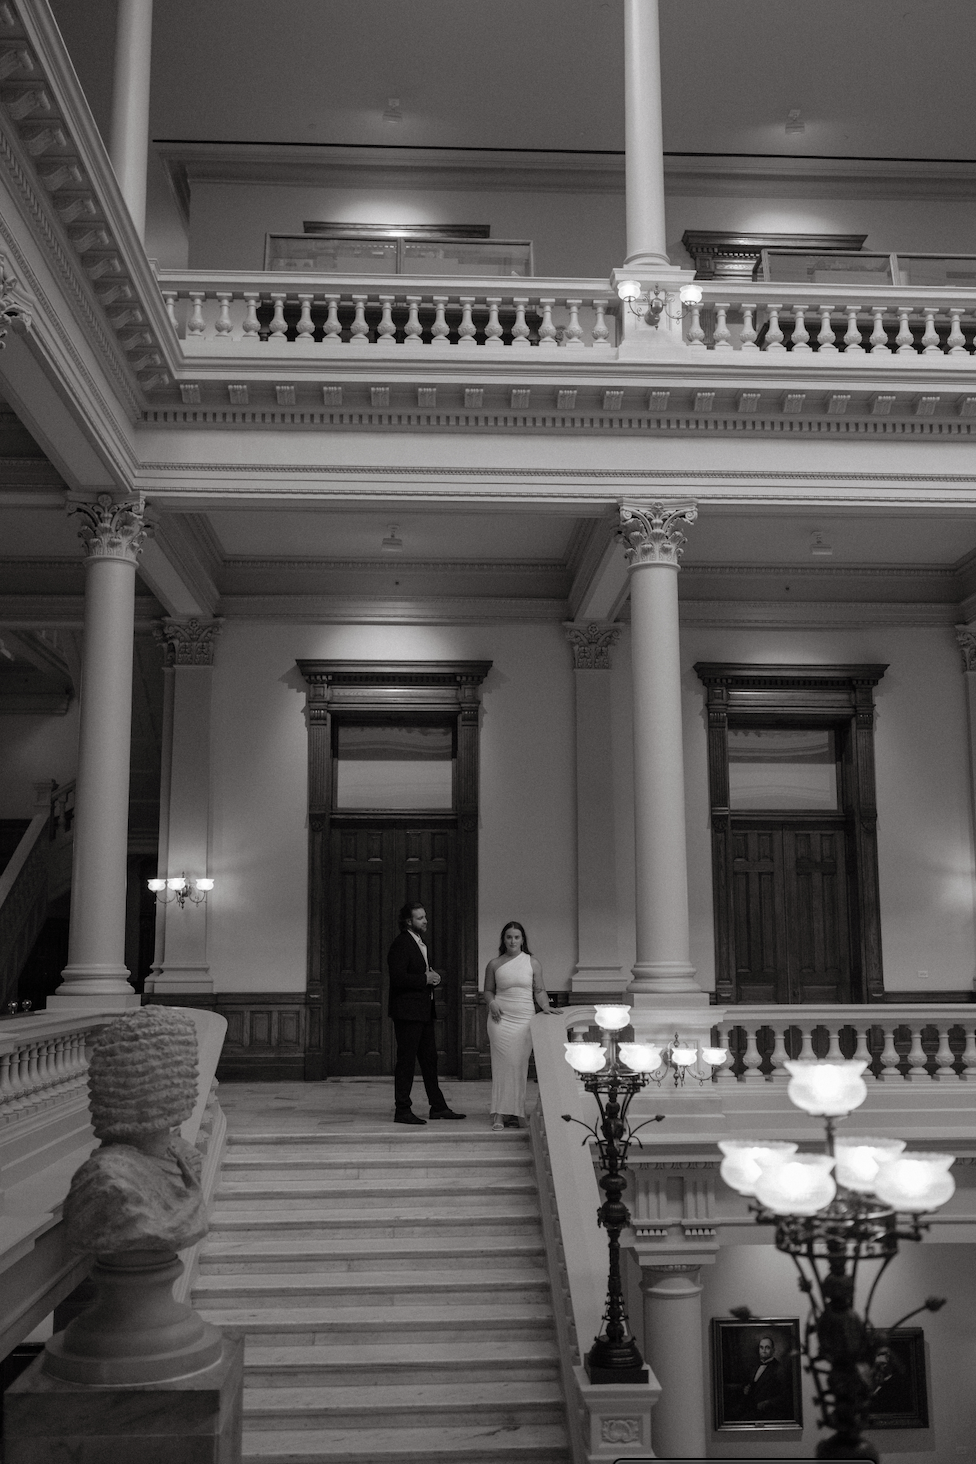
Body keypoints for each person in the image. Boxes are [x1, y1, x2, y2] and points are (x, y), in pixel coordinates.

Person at [387, 901, 465, 1126]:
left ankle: (438, 1106)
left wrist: (432, 978)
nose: (425, 920)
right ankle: (402, 1109)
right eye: (420, 918)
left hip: (422, 1012)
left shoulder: (419, 943)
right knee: (406, 1062)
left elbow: (416, 975)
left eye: (425, 916)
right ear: (408, 921)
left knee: (430, 1060)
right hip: (408, 1013)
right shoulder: (401, 943)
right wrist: (425, 979)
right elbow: (398, 978)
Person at [483, 920, 554, 1131]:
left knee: (519, 1066)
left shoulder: (532, 962)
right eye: (508, 937)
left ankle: (518, 1112)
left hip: (524, 1020)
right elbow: (487, 991)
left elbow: (539, 991)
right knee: (502, 1066)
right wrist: (492, 1003)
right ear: (503, 940)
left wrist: (546, 1006)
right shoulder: (494, 964)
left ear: (523, 940)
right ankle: (499, 1114)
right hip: (500, 1020)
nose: (512, 941)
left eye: (516, 937)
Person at [735, 1333, 791, 1421]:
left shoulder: (779, 1368)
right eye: (761, 1347)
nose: (764, 1350)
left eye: (767, 1347)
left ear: (773, 1350)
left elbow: (786, 1394)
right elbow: (751, 1386)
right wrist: (745, 1390)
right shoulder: (754, 1367)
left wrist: (768, 1402)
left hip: (768, 1412)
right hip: (750, 1408)